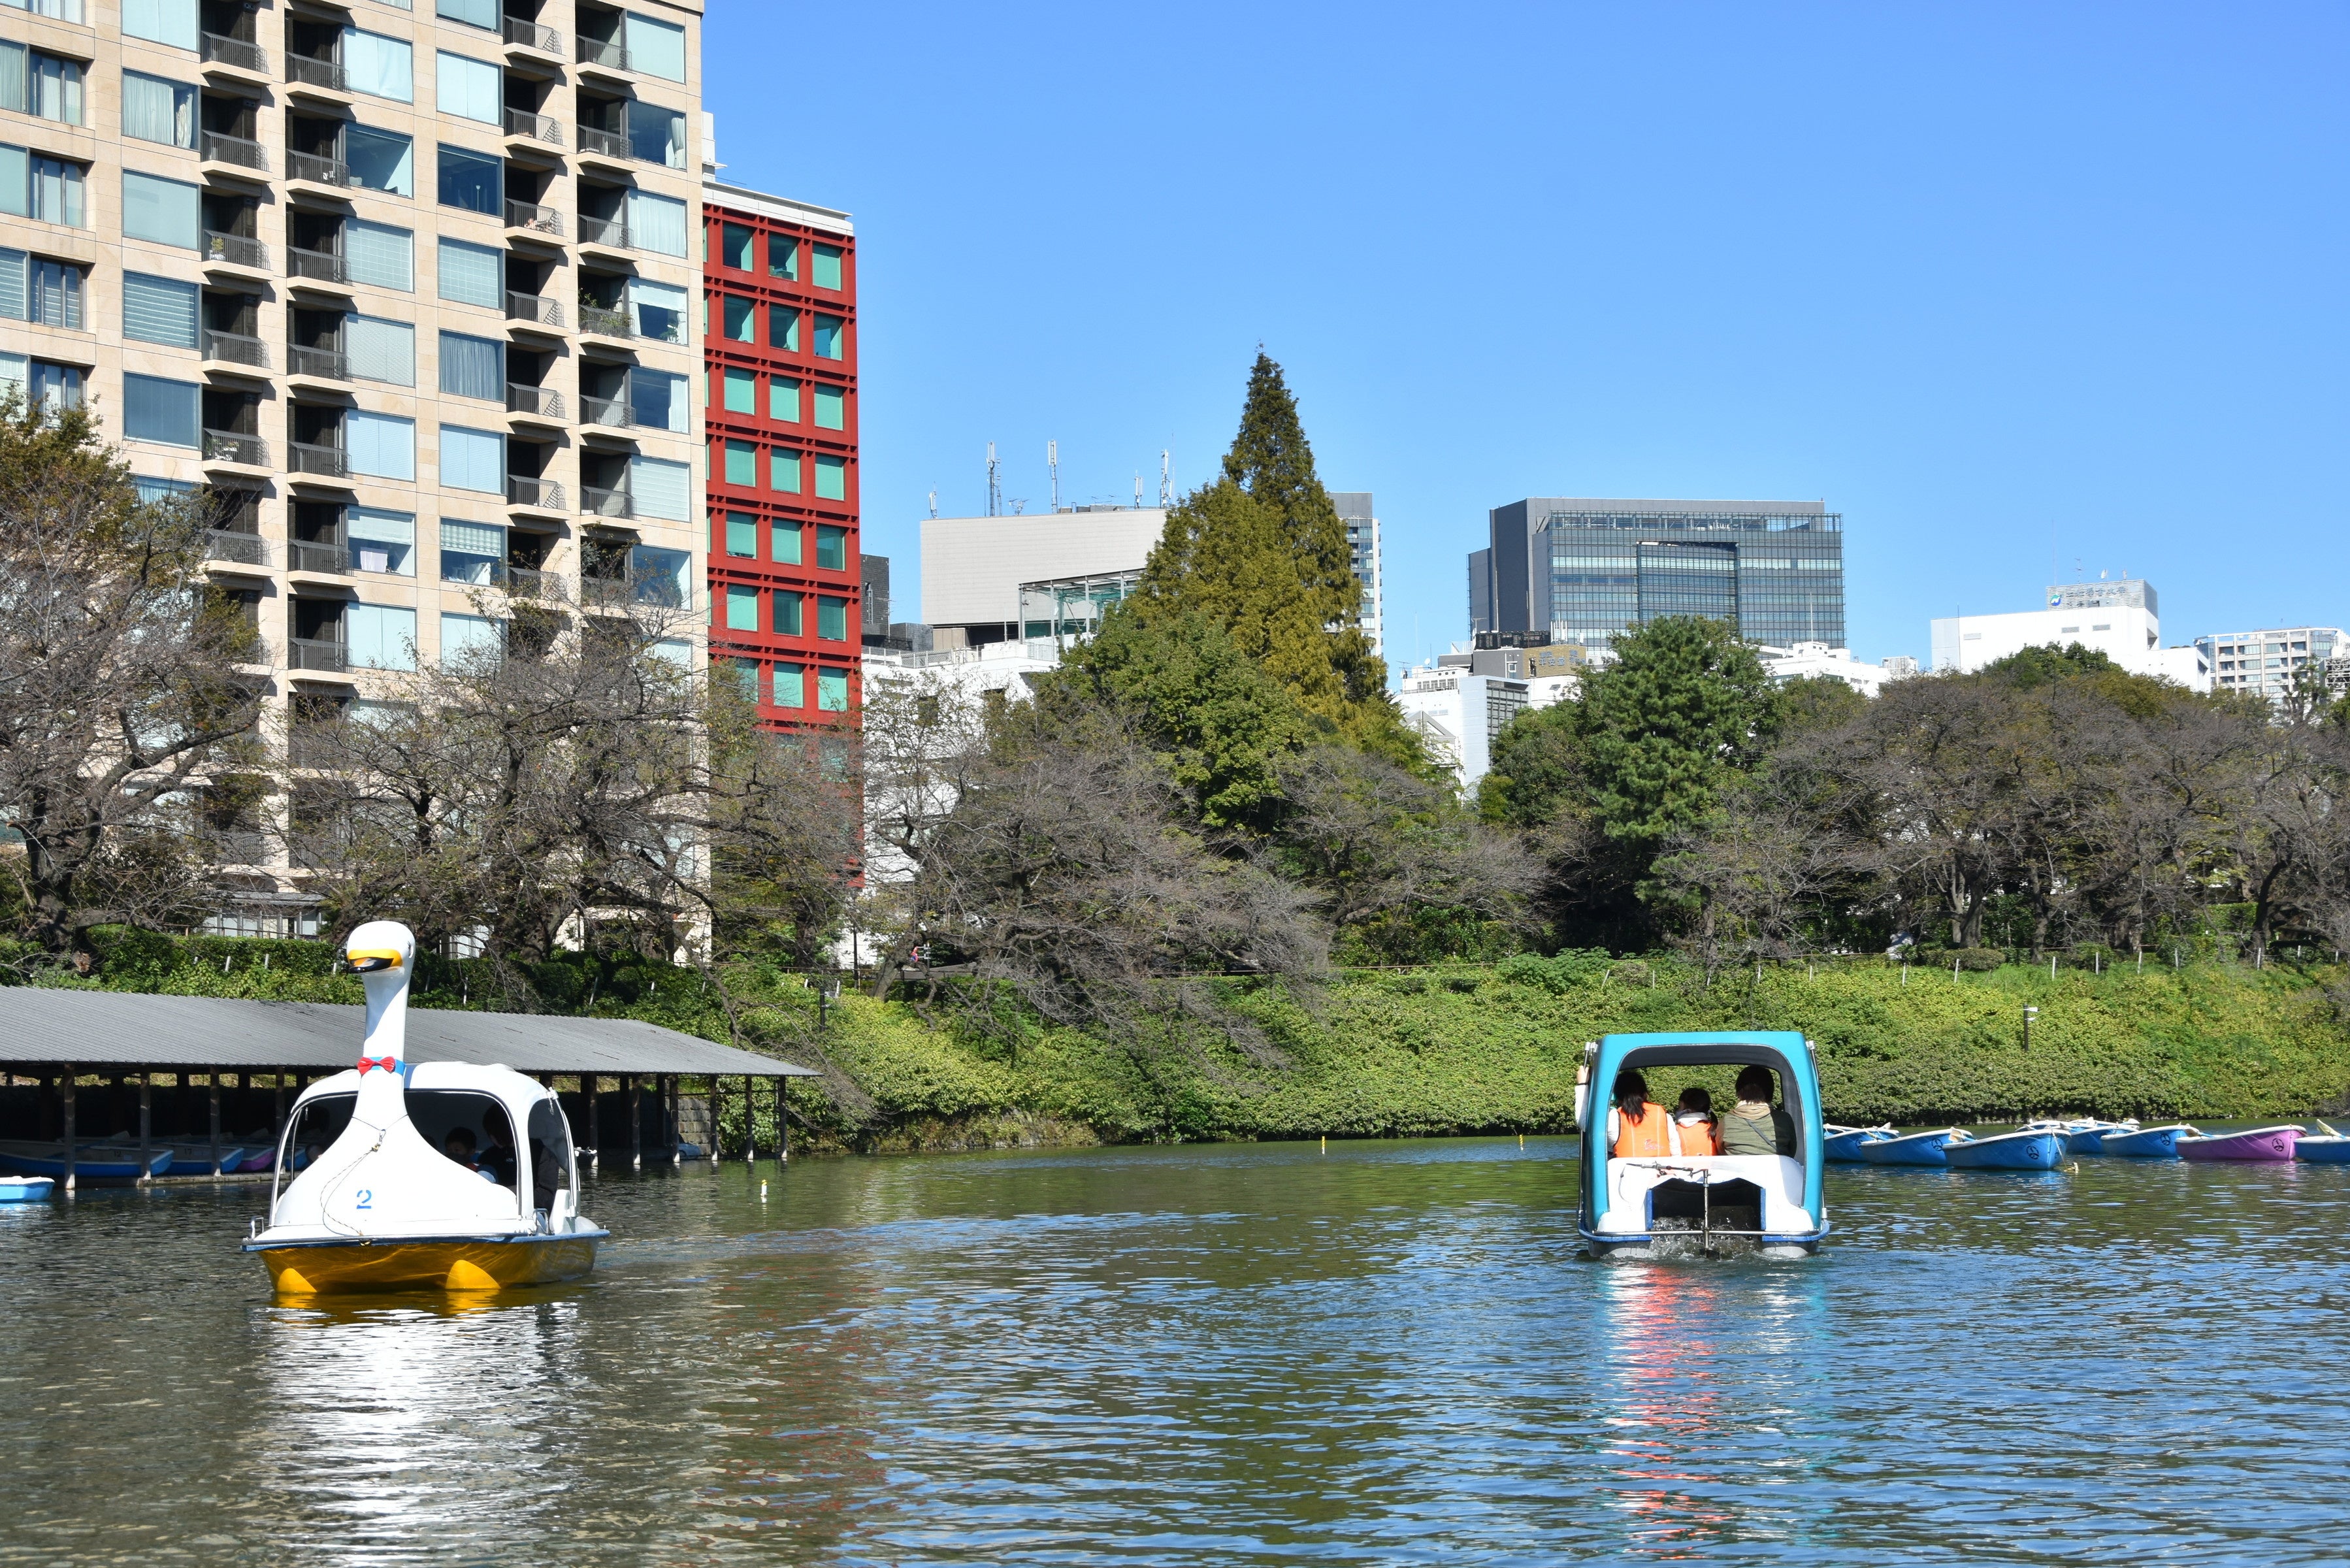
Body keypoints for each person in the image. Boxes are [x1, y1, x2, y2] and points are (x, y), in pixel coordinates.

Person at [1719, 1065, 1797, 1158]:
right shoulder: (1784, 1119)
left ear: (1739, 1091)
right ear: (1770, 1091)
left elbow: (1720, 1151)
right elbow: (1791, 1151)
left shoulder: (1727, 1120)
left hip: (1738, 1171)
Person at [1608, 1070, 1674, 1157]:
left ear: (1618, 1095)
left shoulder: (1615, 1117)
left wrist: (1583, 1084)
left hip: (1627, 1170)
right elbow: (1675, 1149)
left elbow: (1587, 1123)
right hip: (1662, 1169)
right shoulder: (1664, 1116)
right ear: (1644, 1093)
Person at [1671, 1086, 1720, 1156]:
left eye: (1679, 1106)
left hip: (1685, 1166)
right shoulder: (1716, 1128)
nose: (1678, 1111)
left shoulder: (1677, 1130)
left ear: (1688, 1110)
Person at [478, 1109, 519, 1189]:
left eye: (496, 1133)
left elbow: (545, 1191)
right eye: (489, 1134)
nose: (492, 1138)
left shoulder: (534, 1151)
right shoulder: (487, 1157)